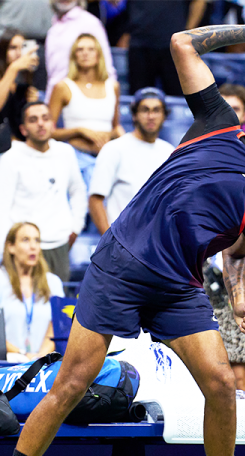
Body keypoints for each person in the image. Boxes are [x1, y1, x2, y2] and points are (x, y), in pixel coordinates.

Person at [0, 18, 245, 456]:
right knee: (72, 383)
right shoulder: (218, 121)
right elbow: (180, 41)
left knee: (220, 384)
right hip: (123, 263)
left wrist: (239, 295)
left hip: (178, 285)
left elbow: (239, 251)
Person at [0, 101, 87, 283]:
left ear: (53, 125)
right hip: (23, 248)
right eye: (33, 119)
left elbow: (78, 190)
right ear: (23, 129)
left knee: (58, 306)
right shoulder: (10, 159)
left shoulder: (66, 152)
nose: (40, 123)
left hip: (60, 245)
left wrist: (75, 228)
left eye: (45, 118)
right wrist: (7, 251)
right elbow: (2, 208)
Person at [88, 86, 173, 234]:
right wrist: (109, 243)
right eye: (145, 110)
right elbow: (95, 199)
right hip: (122, 244)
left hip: (158, 245)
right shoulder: (114, 149)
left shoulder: (170, 152)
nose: (151, 116)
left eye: (156, 110)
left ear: (164, 115)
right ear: (134, 115)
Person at [47, 32, 122, 181]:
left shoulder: (113, 86)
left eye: (90, 49)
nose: (85, 53)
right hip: (75, 157)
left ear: (98, 55)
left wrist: (109, 135)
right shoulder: (62, 87)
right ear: (74, 56)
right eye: (80, 50)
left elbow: (116, 128)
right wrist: (80, 131)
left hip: (106, 159)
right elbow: (48, 131)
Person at [201, 246, 245, 395]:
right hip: (205, 292)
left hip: (244, 288)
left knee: (240, 376)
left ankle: (244, 418)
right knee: (208, 373)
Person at [2, 223, 63, 361]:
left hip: (42, 363)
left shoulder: (53, 283)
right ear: (10, 246)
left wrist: (38, 359)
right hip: (7, 363)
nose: (33, 246)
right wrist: (22, 355)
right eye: (25, 240)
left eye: (37, 240)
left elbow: (55, 328)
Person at [125, 0, 205, 96]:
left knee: (178, 99)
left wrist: (188, 32)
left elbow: (199, 1)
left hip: (175, 45)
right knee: (138, 98)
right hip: (139, 43)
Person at [44, 0, 116, 101]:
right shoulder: (54, 27)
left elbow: (106, 64)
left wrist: (109, 99)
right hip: (54, 97)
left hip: (80, 99)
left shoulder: (90, 23)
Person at [0, 30, 40, 146]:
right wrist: (13, 68)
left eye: (22, 47)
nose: (18, 53)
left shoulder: (23, 85)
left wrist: (32, 105)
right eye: (12, 48)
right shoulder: (12, 72)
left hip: (21, 148)